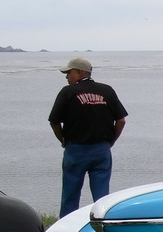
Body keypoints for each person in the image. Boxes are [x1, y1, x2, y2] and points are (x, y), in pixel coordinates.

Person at [49, 56, 128, 217]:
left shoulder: (68, 92)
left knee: (70, 196)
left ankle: (66, 229)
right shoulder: (106, 91)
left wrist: (63, 140)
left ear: (79, 72)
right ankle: (102, 227)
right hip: (101, 150)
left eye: (69, 72)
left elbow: (54, 121)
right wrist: (110, 141)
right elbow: (121, 120)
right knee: (102, 198)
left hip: (75, 149)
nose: (66, 77)